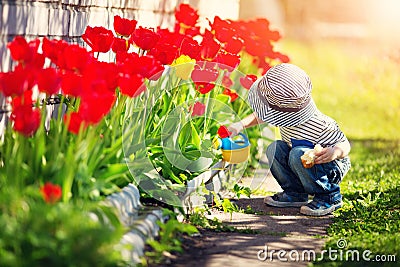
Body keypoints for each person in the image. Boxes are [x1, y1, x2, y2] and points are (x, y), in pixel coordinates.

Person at [229, 63, 351, 216]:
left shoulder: (320, 124)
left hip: (329, 167)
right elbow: (262, 116)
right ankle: (295, 193)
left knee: (297, 154)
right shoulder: (286, 113)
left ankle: (329, 196)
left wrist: (335, 152)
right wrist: (240, 125)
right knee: (275, 148)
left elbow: (345, 144)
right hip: (300, 163)